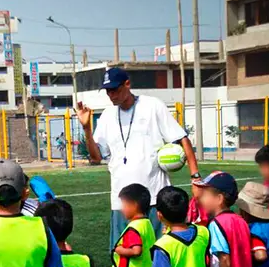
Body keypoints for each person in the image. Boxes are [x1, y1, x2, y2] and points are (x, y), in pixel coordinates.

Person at [76, 67, 201, 253]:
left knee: (159, 253)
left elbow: (181, 138)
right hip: (122, 201)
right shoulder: (107, 116)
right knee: (123, 255)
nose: (112, 95)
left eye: (115, 89)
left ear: (127, 84)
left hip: (153, 196)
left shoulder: (152, 106)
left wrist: (195, 177)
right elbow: (96, 158)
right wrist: (87, 128)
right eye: (108, 91)